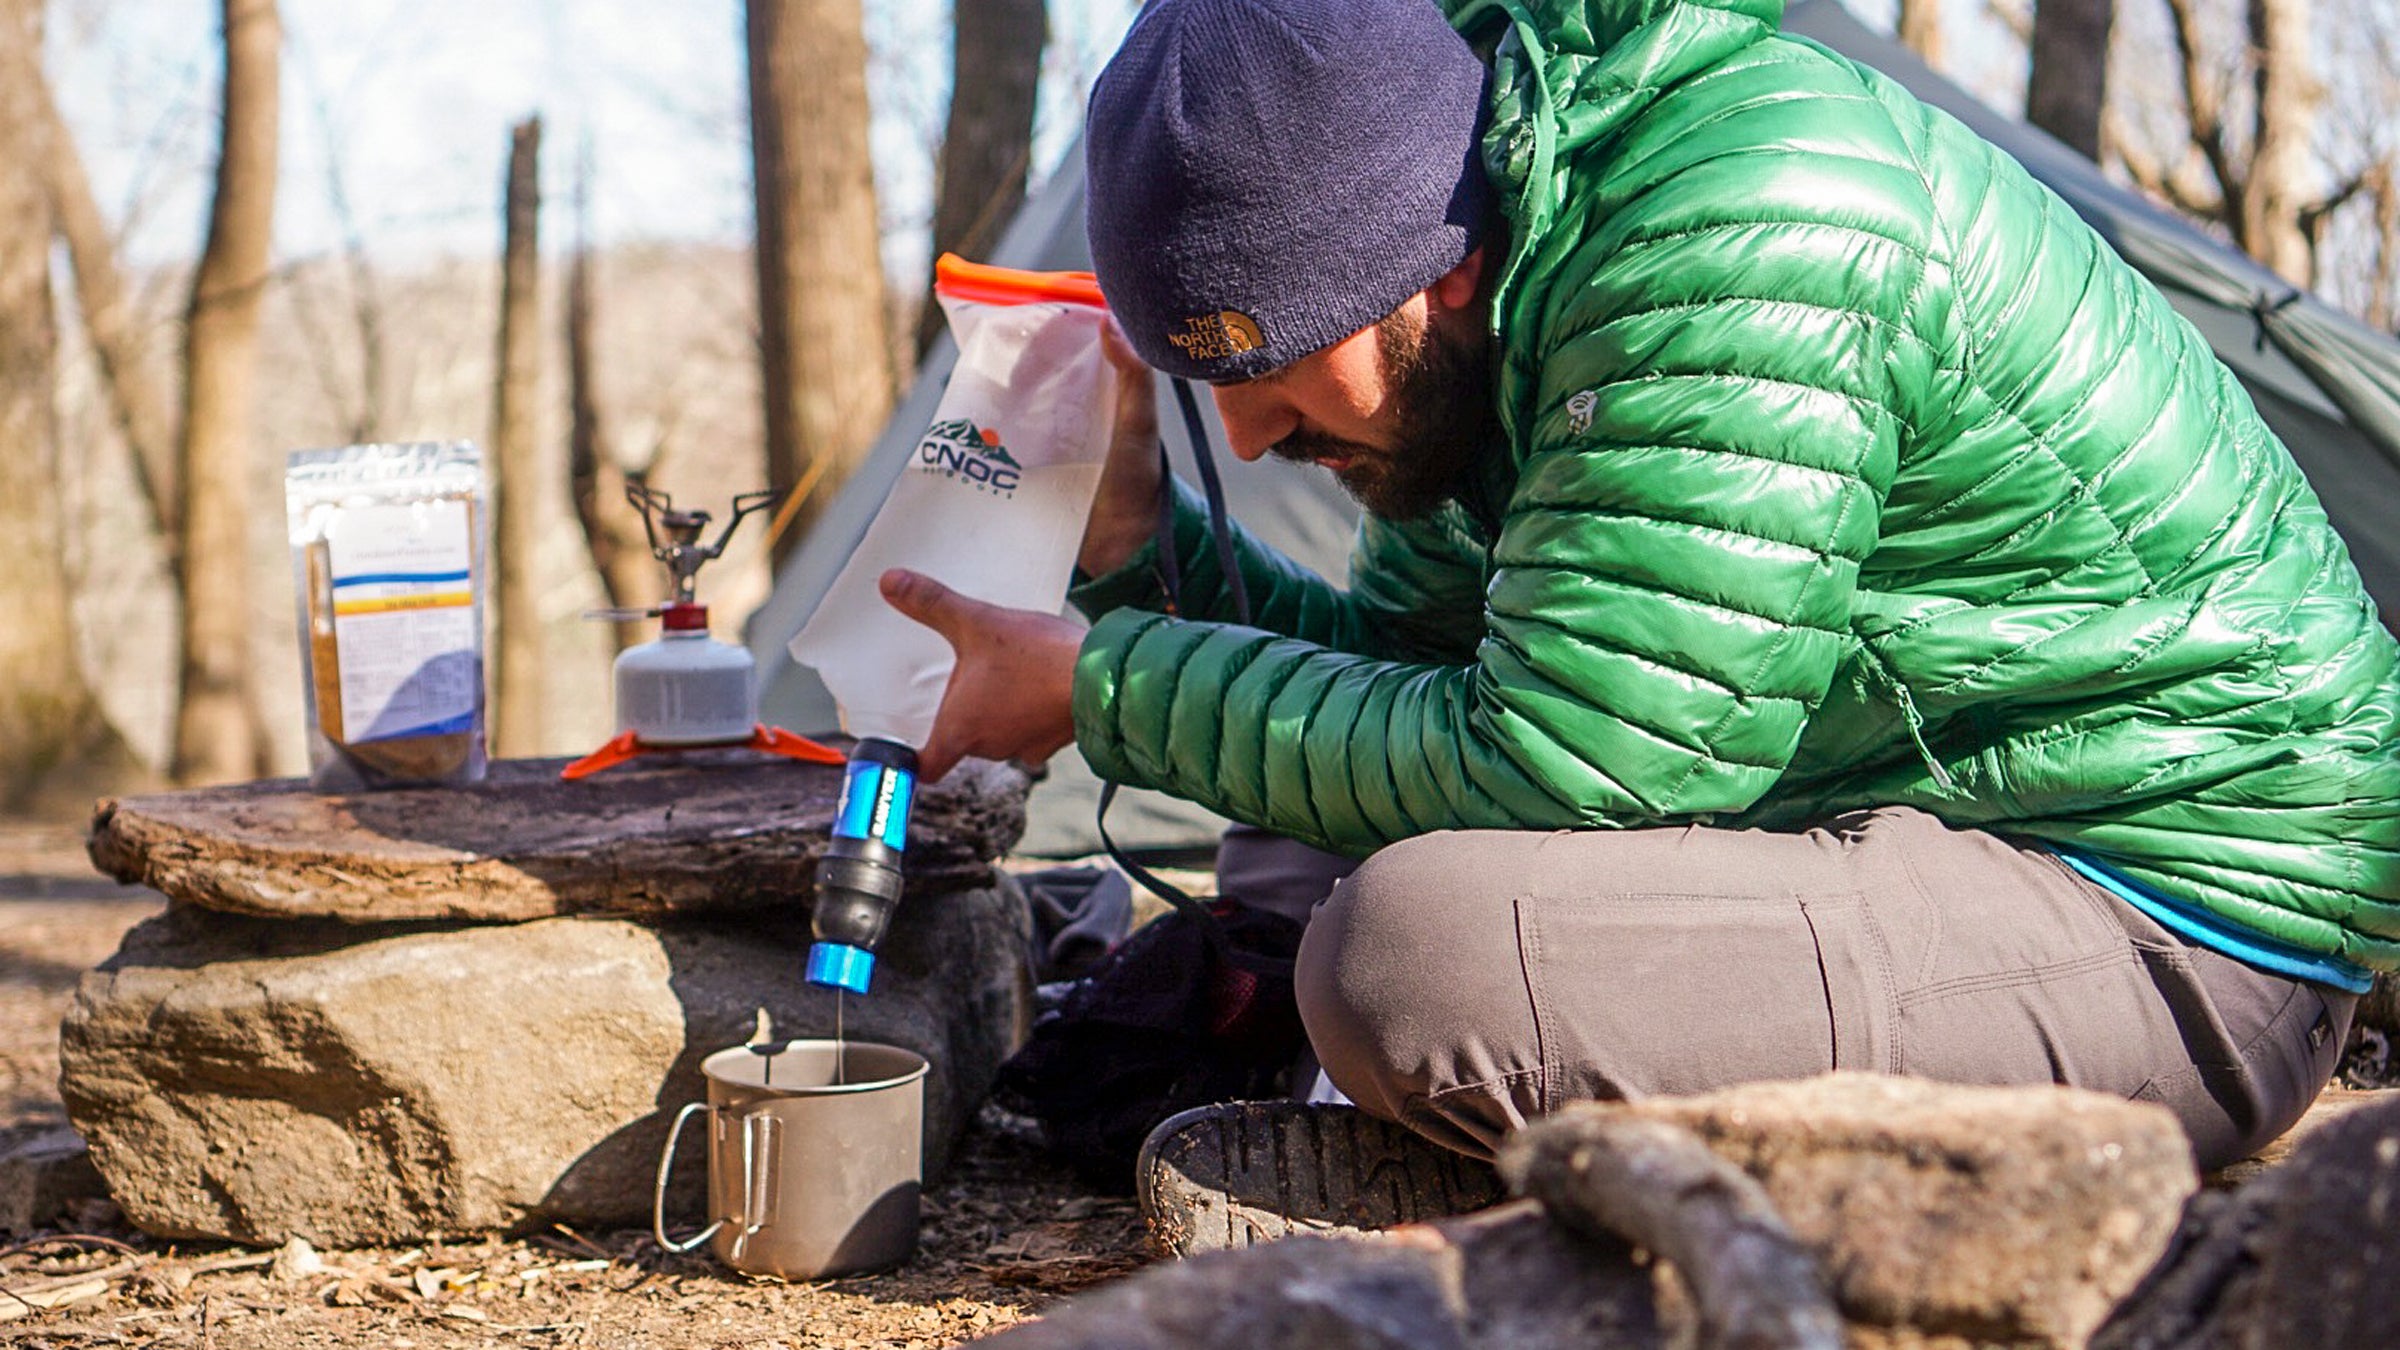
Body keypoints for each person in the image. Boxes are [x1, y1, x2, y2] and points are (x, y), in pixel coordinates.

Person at [878, 0, 2400, 1244]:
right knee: (1296, 848)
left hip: (2186, 923)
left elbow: (1582, 772)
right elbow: (1400, 689)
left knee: (1403, 959)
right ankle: (1451, 1144)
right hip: (1951, 824)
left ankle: (1505, 1198)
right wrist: (1144, 556)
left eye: (1276, 359)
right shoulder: (1506, 279)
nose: (1256, 430)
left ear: (1438, 263)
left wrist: (1107, 693)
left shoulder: (1728, 228)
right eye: (1212, 378)